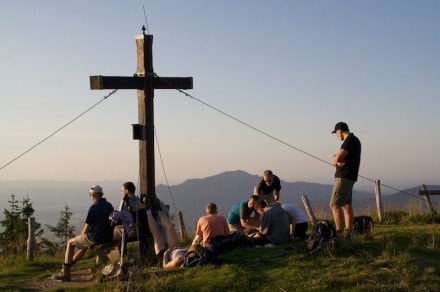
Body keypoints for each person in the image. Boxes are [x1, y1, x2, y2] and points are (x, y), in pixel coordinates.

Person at [53, 185, 114, 282]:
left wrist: (82, 235)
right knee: (84, 245)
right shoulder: (109, 205)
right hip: (108, 236)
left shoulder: (94, 207)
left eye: (90, 195)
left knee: (70, 243)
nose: (90, 197)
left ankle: (65, 273)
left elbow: (86, 229)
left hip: (96, 237)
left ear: (93, 195)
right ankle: (68, 265)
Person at [330, 122, 361, 236]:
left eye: (336, 133)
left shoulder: (349, 140)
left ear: (340, 130)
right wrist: (337, 160)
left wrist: (335, 159)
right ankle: (348, 232)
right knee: (347, 205)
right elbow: (339, 159)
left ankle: (339, 232)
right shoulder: (354, 140)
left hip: (344, 177)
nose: (337, 135)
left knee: (334, 205)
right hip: (350, 176)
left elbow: (337, 158)